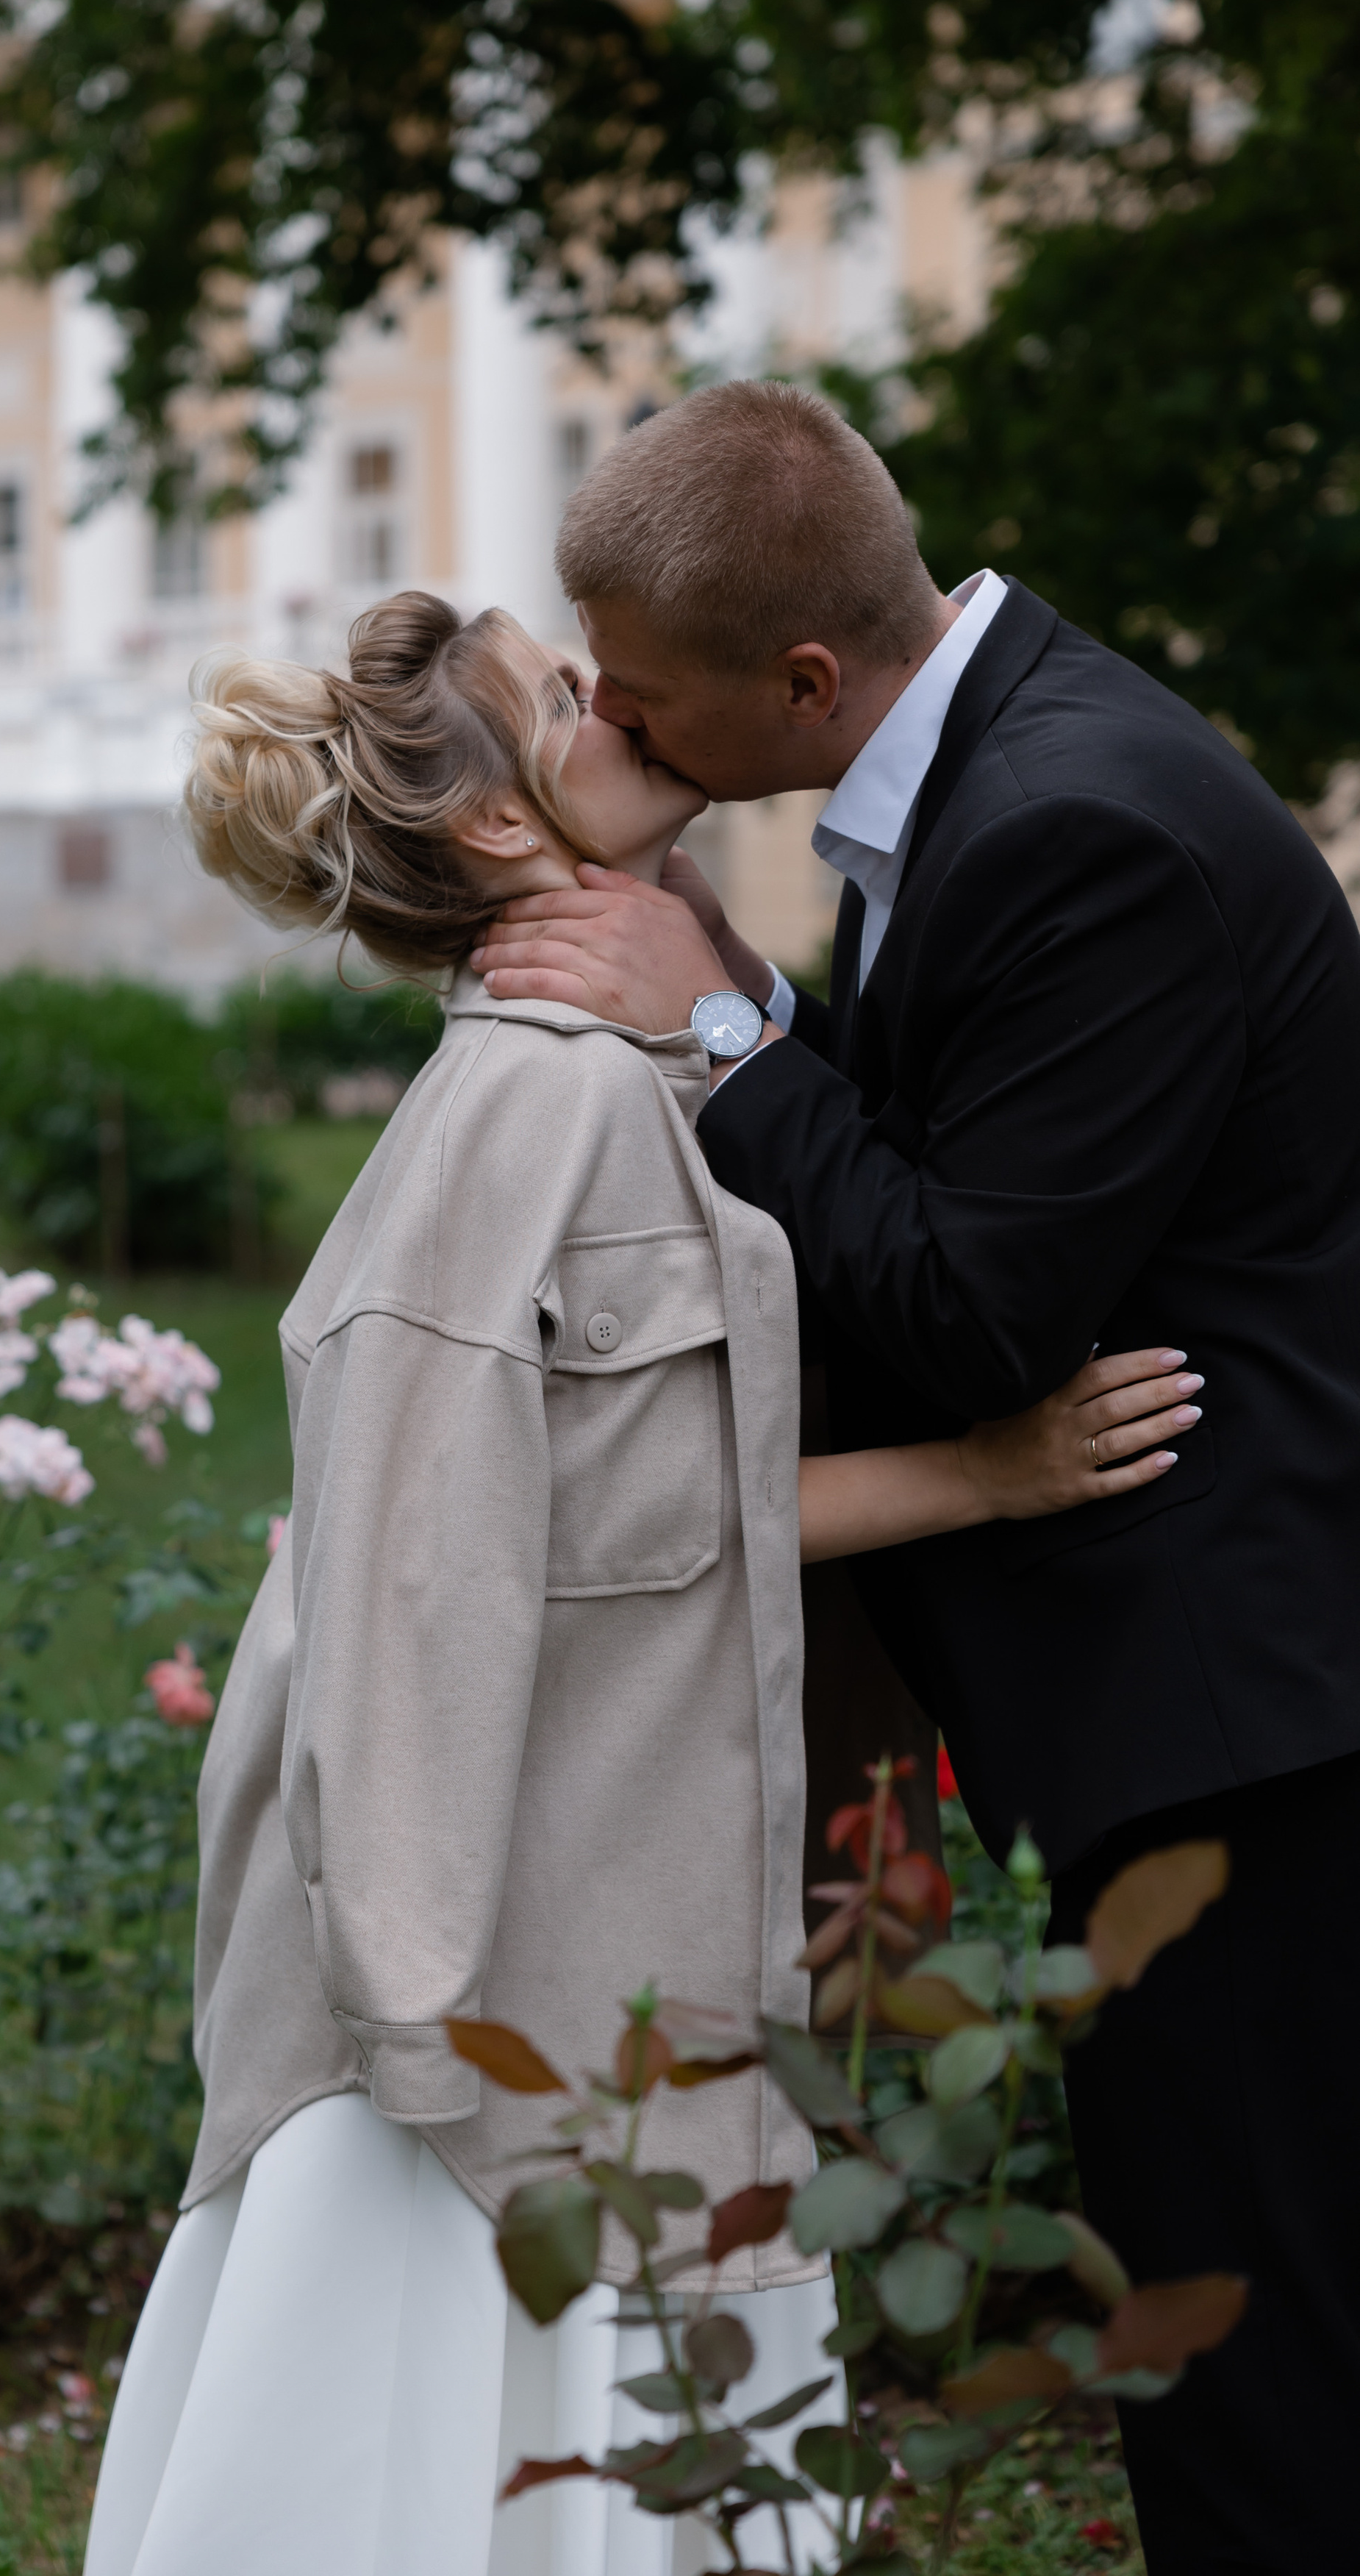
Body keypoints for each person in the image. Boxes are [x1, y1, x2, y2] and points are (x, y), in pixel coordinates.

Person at [83, 589, 1197, 2576]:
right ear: (511, 826)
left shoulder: (627, 1062)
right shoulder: (542, 1105)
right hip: (481, 2001)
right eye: (569, 694)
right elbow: (447, 1568)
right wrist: (984, 1469)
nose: (624, 699)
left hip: (600, 1917)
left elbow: (644, 1496)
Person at [470, 380, 1360, 2572]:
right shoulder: (987, 757)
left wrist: (726, 1034)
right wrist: (733, 973)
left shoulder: (1084, 824)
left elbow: (976, 1307)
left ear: (800, 680)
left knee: (1264, 2377)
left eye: (639, 694)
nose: (610, 717)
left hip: (1258, 1724)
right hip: (1218, 1703)